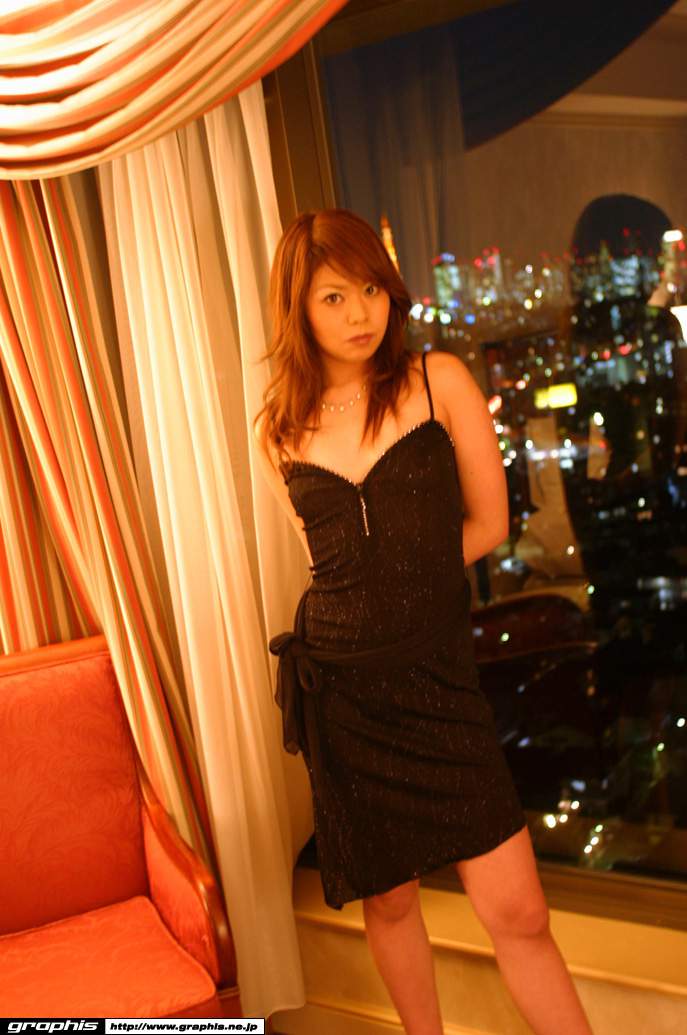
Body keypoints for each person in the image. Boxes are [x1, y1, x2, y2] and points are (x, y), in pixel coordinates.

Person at [253, 209, 594, 1035]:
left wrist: (411, 595)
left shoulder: (437, 381)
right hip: (345, 695)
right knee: (392, 904)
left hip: (439, 685)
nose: (359, 313)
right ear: (297, 308)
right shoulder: (276, 427)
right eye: (333, 297)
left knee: (518, 911)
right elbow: (328, 564)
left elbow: (490, 522)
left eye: (370, 289)